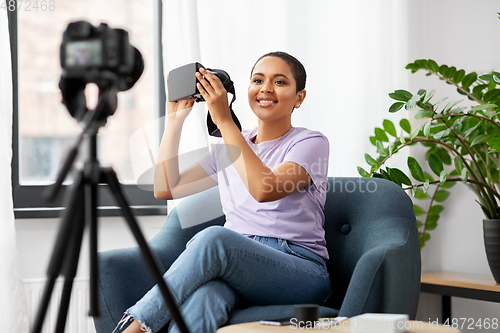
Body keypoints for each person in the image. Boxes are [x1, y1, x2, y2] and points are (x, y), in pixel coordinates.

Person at [118, 51, 331, 333]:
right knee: (204, 299)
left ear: (299, 97)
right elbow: (165, 188)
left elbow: (264, 188)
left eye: (279, 82)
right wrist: (175, 120)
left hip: (299, 269)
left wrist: (224, 121)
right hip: (237, 267)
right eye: (258, 80)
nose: (266, 88)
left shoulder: (310, 142)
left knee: (214, 238)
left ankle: (133, 328)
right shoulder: (229, 148)